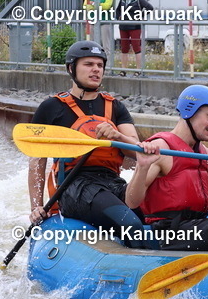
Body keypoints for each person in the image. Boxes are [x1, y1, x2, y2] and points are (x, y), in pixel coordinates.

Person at [26, 40, 156, 248]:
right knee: (130, 225)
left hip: (111, 182)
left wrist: (115, 136)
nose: (96, 69)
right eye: (88, 64)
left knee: (149, 221)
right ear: (71, 68)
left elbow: (135, 149)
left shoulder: (116, 107)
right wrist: (36, 206)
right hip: (73, 186)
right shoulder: (52, 107)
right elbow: (37, 161)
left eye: (100, 65)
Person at [125, 85, 208, 251]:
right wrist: (142, 168)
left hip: (196, 227)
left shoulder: (206, 155)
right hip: (171, 233)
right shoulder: (160, 149)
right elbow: (131, 201)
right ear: (189, 112)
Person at [114, 0, 153, 73]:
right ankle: (123, 69)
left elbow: (149, 8)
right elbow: (117, 10)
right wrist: (118, 16)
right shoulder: (122, 0)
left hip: (135, 27)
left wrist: (140, 16)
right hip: (123, 27)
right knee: (124, 48)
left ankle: (138, 70)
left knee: (136, 47)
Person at [83, 0, 115, 72]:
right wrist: (97, 5)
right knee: (93, 46)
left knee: (106, 46)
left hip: (104, 22)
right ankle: (93, 67)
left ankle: (108, 67)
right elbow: (85, 6)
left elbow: (107, 6)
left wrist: (94, 4)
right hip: (92, 22)